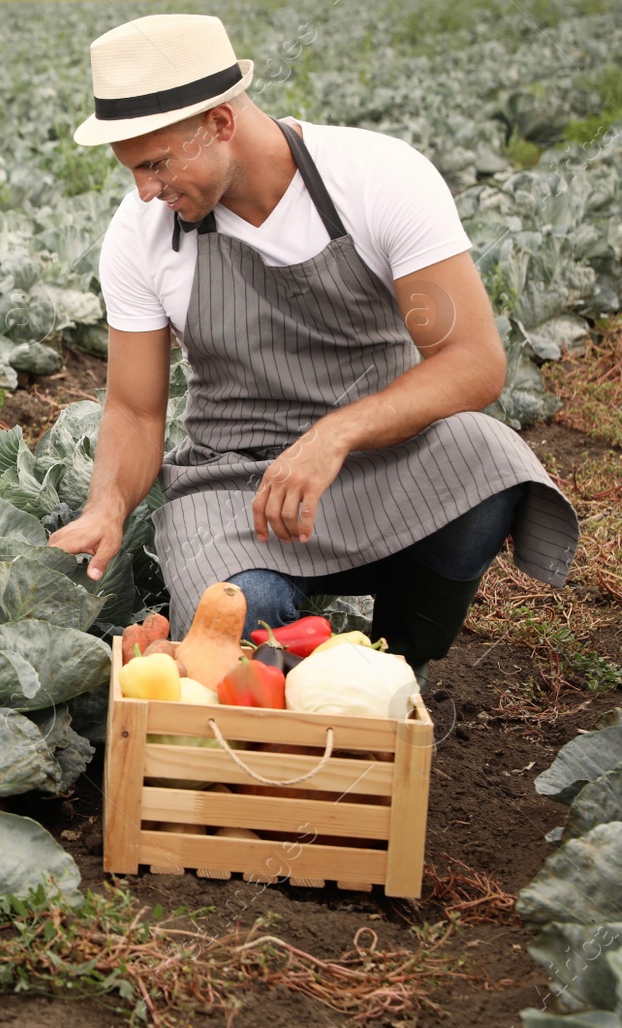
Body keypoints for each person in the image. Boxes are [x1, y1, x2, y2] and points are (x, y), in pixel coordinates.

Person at [45, 14, 580, 685]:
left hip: (384, 462)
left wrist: (338, 433)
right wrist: (106, 505)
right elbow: (134, 409)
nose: (145, 190)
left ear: (219, 123)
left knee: (489, 456)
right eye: (133, 170)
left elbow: (472, 362)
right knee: (239, 635)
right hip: (233, 486)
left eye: (155, 164)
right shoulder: (140, 236)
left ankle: (397, 668)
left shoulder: (379, 179)